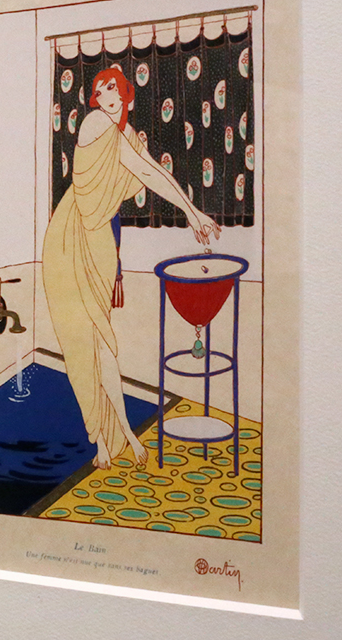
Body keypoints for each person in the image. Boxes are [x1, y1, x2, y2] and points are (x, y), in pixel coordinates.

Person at [42, 67, 220, 469]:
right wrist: (190, 212)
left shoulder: (128, 138)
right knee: (81, 343)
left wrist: (192, 211)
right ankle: (99, 440)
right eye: (100, 88)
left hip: (100, 242)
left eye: (114, 87)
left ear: (126, 94)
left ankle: (121, 431)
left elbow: (155, 172)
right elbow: (145, 172)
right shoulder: (95, 123)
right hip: (68, 239)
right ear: (95, 99)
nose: (108, 93)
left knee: (104, 343)